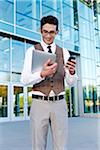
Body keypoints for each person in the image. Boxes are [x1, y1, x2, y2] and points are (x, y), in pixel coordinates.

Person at [21, 15, 77, 150]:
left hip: (60, 104)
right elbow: (24, 80)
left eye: (52, 32)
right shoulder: (32, 51)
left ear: (57, 32)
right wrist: (42, 74)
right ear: (40, 31)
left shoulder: (64, 52)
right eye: (45, 31)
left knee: (60, 146)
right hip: (39, 103)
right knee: (38, 146)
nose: (48, 36)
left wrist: (72, 72)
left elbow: (71, 83)